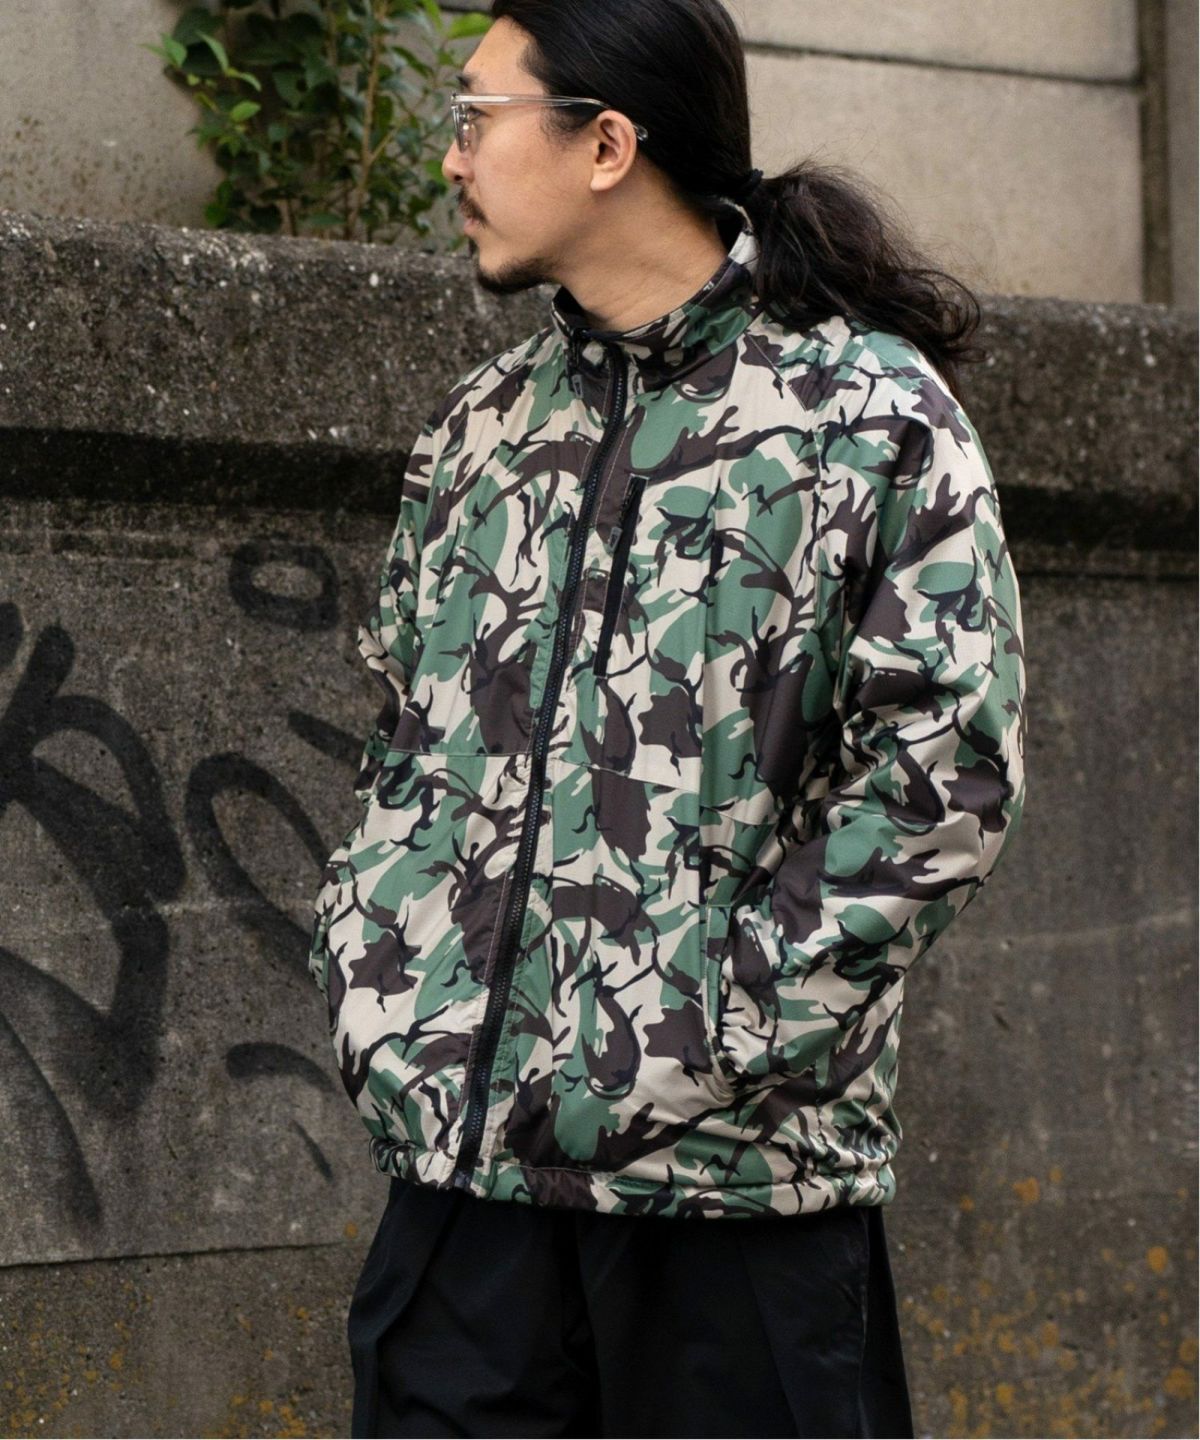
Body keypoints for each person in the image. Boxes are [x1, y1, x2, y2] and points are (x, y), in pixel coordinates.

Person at [307, 2, 1028, 1435]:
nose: (453, 158)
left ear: (607, 145)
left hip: (732, 1200)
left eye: (478, 116)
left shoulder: (864, 419)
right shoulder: (481, 429)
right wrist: (378, 966)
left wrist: (713, 1034)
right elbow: (407, 739)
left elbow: (941, 780)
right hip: (468, 1192)